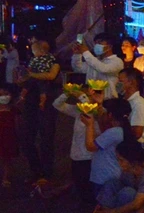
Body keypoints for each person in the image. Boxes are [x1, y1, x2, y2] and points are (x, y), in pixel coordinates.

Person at [20, 39, 59, 184]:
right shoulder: (34, 61)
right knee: (26, 138)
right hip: (31, 102)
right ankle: (35, 170)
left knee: (46, 139)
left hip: (47, 103)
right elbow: (25, 79)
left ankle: (46, 173)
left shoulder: (53, 61)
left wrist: (31, 75)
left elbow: (51, 76)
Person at [94, 140, 144, 213]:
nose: (119, 163)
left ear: (131, 160)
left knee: (128, 192)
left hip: (143, 210)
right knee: (111, 183)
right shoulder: (128, 170)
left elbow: (137, 203)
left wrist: (112, 212)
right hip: (125, 204)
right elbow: (118, 185)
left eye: (121, 160)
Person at [52, 88, 96, 202]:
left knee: (86, 189)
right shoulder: (78, 111)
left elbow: (89, 108)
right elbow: (57, 104)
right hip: (76, 155)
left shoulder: (97, 113)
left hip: (89, 157)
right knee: (79, 186)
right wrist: (67, 93)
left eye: (88, 96)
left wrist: (82, 96)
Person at [82, 98, 132, 198]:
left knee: (103, 206)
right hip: (111, 174)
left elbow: (90, 146)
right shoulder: (121, 131)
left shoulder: (114, 132)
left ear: (110, 115)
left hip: (104, 177)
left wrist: (89, 125)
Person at [72, 33, 124, 99]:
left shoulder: (117, 61)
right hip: (91, 98)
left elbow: (103, 69)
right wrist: (77, 54)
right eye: (95, 43)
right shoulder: (93, 60)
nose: (96, 46)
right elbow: (78, 69)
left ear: (109, 46)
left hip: (108, 100)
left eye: (100, 43)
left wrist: (86, 52)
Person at [118, 67, 144, 146]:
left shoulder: (139, 103)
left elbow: (137, 133)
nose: (117, 84)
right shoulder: (124, 100)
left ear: (131, 82)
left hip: (137, 149)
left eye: (120, 81)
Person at [0, 87, 19, 187]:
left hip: (8, 135)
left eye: (5, 94)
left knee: (6, 158)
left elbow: (16, 124)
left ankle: (6, 177)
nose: (3, 97)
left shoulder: (13, 109)